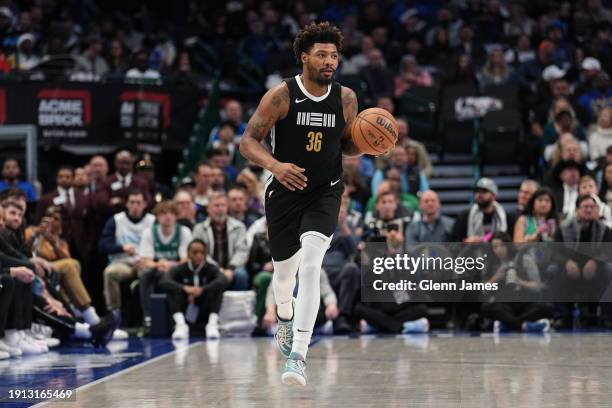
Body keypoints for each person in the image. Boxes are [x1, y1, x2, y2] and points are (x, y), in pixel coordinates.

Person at [239, 22, 361, 386]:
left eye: (334, 55)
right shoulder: (281, 95)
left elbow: (348, 145)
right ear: (304, 57)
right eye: (322, 55)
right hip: (284, 191)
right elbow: (248, 142)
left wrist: (370, 142)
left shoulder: (346, 98)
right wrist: (275, 165)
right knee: (283, 278)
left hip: (325, 191)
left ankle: (299, 355)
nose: (330, 61)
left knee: (311, 266)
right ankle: (285, 318)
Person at [99, 190, 155, 338]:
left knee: (147, 274)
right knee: (110, 273)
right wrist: (121, 248)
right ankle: (114, 316)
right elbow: (103, 245)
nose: (135, 206)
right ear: (127, 204)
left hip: (145, 262)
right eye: (132, 203)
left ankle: (147, 318)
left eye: (138, 203)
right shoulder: (116, 220)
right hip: (123, 262)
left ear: (144, 205)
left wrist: (146, 260)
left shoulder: (152, 220)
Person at [137, 201, 192, 331]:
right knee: (145, 275)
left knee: (166, 276)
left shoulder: (184, 232)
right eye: (163, 213)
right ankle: (148, 317)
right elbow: (145, 260)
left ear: (176, 216)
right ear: (157, 216)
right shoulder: (149, 232)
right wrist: (159, 264)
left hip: (178, 270)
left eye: (171, 213)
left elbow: (186, 259)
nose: (167, 216)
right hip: (156, 269)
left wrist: (171, 265)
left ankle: (175, 317)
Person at [160, 239, 227, 340]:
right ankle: (180, 325)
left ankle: (212, 324)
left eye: (202, 253)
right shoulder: (180, 268)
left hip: (205, 304)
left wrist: (203, 289)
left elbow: (223, 280)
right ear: (188, 254)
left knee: (217, 289)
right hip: (185, 304)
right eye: (195, 252)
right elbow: (164, 281)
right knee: (172, 290)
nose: (199, 255)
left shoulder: (211, 268)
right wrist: (185, 288)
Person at [192, 192, 250, 290]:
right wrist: (217, 269)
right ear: (208, 209)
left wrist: (231, 269)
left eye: (223, 205)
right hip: (208, 267)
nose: (220, 209)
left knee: (241, 275)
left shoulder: (239, 227)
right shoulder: (199, 229)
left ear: (227, 208)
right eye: (216, 205)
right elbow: (199, 253)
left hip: (233, 268)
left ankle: (238, 305)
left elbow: (242, 251)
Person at [451, 178, 508, 242]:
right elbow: (454, 242)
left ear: (493, 195)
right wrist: (466, 243)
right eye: (477, 191)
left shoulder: (504, 216)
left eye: (484, 191)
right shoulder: (465, 216)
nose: (479, 194)